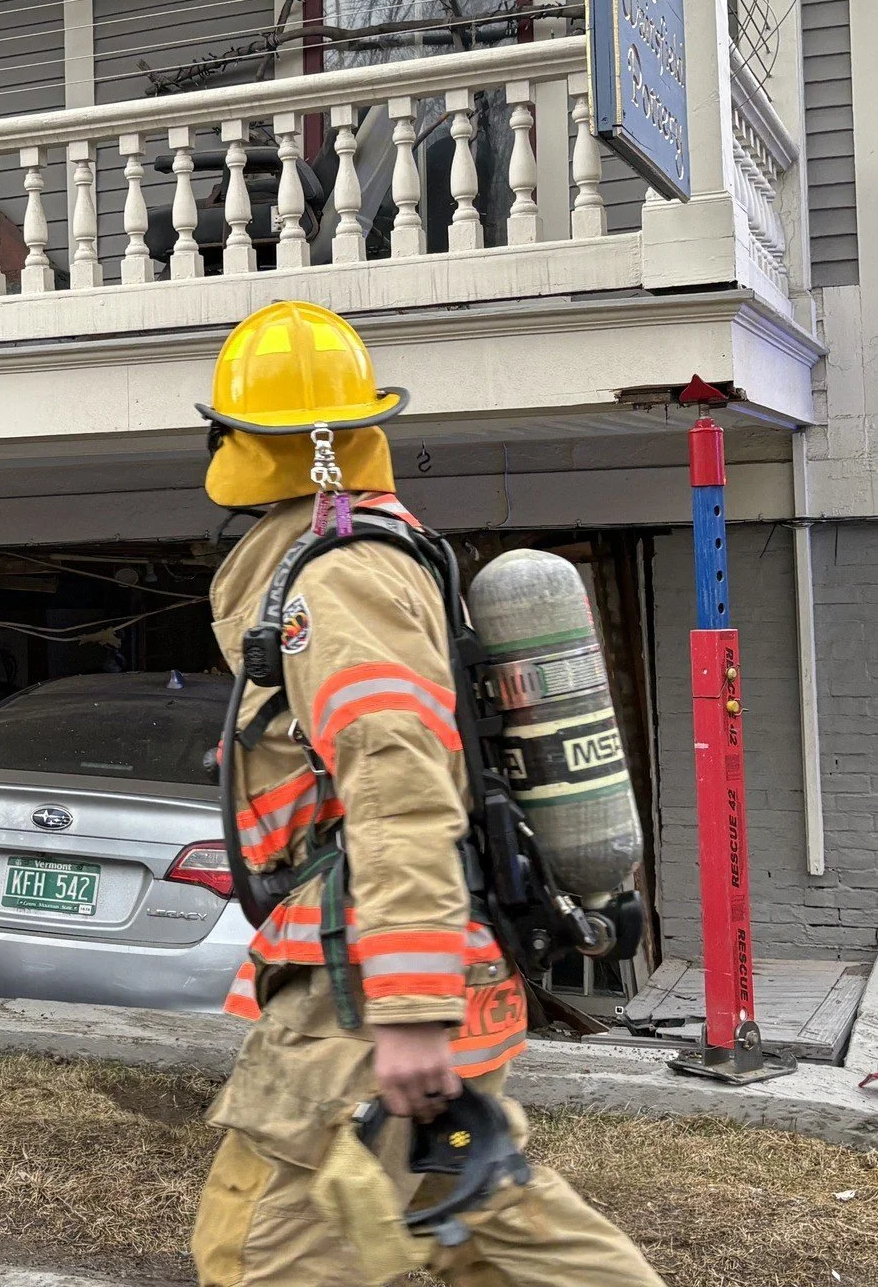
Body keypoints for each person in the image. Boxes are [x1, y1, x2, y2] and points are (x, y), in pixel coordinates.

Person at [189, 302, 662, 1286]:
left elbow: (401, 785)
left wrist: (408, 1009)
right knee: (461, 1232)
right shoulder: (343, 554)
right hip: (358, 975)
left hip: (365, 985)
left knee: (274, 1260)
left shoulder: (339, 577)